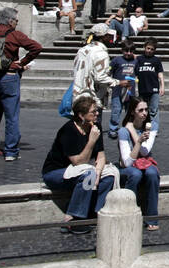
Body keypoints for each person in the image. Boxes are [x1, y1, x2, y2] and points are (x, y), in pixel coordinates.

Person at [43, 95, 116, 231]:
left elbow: (101, 156)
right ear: (81, 115)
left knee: (109, 176)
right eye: (93, 112)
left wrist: (98, 173)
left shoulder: (95, 126)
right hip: (57, 172)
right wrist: (91, 141)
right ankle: (74, 217)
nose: (97, 114)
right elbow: (78, 162)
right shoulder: (69, 130)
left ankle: (94, 212)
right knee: (88, 174)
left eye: (97, 111)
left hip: (80, 171)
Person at [117, 97, 160, 231]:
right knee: (134, 174)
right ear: (132, 112)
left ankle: (152, 218)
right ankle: (129, 214)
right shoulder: (123, 132)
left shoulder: (152, 126)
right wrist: (132, 132)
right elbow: (127, 162)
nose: (144, 113)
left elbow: (145, 151)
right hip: (130, 167)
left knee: (152, 173)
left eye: (146, 109)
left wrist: (135, 135)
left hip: (145, 162)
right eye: (140, 110)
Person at [134, 37, 166, 136]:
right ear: (144, 47)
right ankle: (143, 127)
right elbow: (134, 72)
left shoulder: (156, 60)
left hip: (154, 89)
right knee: (143, 109)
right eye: (148, 48)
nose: (149, 51)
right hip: (142, 88)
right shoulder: (139, 59)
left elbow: (160, 74)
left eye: (152, 49)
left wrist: (162, 86)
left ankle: (154, 128)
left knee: (154, 110)